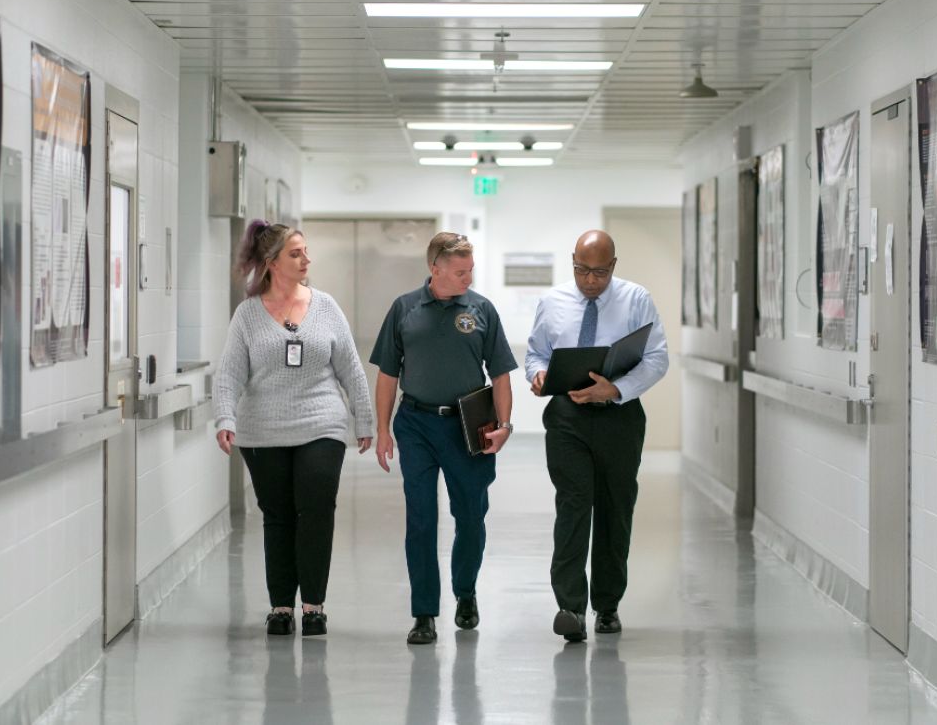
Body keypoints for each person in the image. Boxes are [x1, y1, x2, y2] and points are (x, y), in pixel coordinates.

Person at [215, 220, 374, 637]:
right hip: (263, 429)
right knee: (278, 516)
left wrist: (365, 419)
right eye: (296, 253)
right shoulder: (248, 314)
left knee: (317, 510)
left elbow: (351, 370)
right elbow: (230, 373)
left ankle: (314, 606)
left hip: (322, 423)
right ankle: (281, 606)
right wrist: (225, 417)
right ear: (271, 264)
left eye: (306, 251)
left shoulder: (326, 306)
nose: (306, 259)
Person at [370, 231, 517, 645]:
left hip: (468, 426)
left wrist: (504, 425)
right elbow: (387, 374)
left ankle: (465, 591)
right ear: (434, 269)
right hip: (415, 423)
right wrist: (383, 429)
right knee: (421, 519)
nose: (467, 278)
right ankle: (424, 613)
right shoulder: (404, 309)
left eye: (470, 270)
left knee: (470, 516)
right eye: (459, 272)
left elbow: (502, 373)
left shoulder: (482, 310)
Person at [526, 230, 669, 642]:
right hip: (567, 415)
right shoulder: (552, 301)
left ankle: (607, 606)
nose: (591, 280)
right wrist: (537, 374)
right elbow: (536, 352)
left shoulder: (636, 299)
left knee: (614, 507)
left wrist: (617, 389)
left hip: (618, 415)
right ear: (572, 262)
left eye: (601, 272)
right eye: (583, 270)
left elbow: (657, 357)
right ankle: (569, 606)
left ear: (614, 266)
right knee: (573, 504)